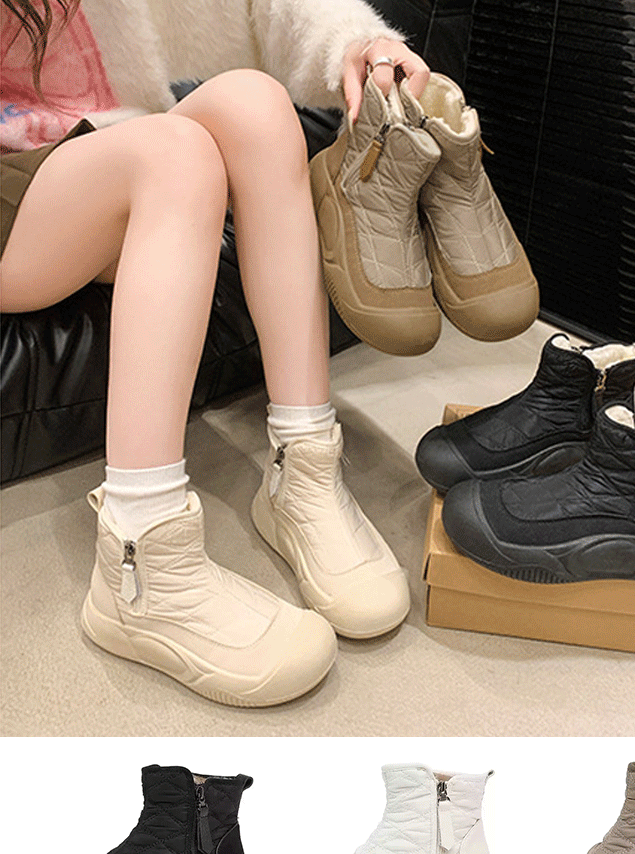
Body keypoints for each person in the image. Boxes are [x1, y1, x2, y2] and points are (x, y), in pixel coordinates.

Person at [0, 0, 430, 705]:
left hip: (101, 152)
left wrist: (360, 45)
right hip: (20, 184)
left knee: (255, 105)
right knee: (175, 153)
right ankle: (142, 565)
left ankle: (303, 473)